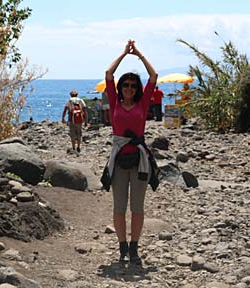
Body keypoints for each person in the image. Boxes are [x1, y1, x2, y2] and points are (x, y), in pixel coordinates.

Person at [103, 40, 158, 264]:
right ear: (120, 88)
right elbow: (108, 73)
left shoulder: (142, 104)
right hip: (118, 160)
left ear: (137, 89)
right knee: (119, 207)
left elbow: (153, 77)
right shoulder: (115, 102)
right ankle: (122, 246)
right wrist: (124, 54)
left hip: (139, 160)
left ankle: (134, 247)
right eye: (125, 85)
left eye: (133, 85)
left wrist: (140, 56)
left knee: (137, 207)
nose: (128, 88)